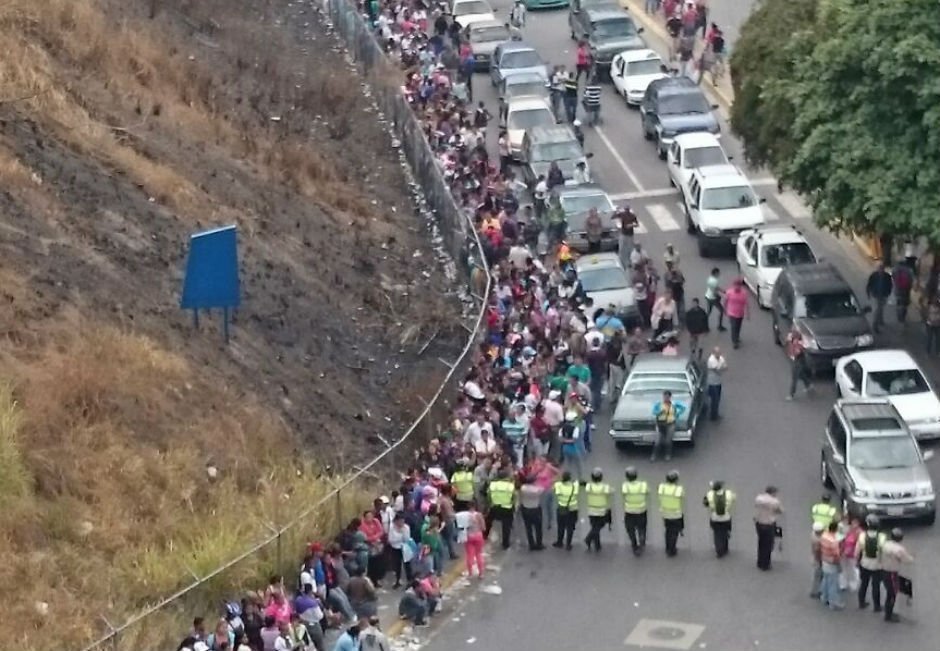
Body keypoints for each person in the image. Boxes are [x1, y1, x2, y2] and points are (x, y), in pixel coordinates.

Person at [881, 527, 914, 623]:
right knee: (892, 593)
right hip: (892, 573)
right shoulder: (899, 549)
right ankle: (888, 615)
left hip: (884, 570)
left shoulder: (885, 544)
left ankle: (888, 612)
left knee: (889, 592)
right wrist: (912, 558)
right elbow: (907, 560)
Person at [856, 515, 884, 612]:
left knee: (864, 584)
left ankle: (861, 602)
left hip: (864, 563)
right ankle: (877, 606)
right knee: (876, 586)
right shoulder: (881, 537)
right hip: (877, 565)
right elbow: (883, 552)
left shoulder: (862, 536)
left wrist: (857, 562)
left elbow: (857, 551)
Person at [651, 390, 686, 462]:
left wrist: (677, 414)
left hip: (670, 424)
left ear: (670, 397)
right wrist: (660, 412)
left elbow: (683, 408)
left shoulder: (674, 404)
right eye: (665, 396)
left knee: (668, 440)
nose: (666, 398)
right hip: (660, 424)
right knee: (657, 441)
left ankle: (668, 455)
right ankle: (654, 455)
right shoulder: (659, 404)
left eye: (667, 397)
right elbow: (654, 412)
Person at [485, 469, 516, 550]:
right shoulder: (510, 485)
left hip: (494, 506)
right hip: (506, 508)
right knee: (506, 526)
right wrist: (513, 506)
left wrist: (490, 503)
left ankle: (484, 535)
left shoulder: (493, 485)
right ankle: (505, 543)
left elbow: (488, 495)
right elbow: (514, 497)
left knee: (488, 521)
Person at [703, 480, 734, 558]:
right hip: (726, 517)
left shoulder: (709, 494)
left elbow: (705, 503)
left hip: (715, 518)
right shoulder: (728, 493)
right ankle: (725, 547)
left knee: (717, 534)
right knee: (725, 531)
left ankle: (719, 550)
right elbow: (733, 499)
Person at [754, 486, 782, 571]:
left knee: (761, 542)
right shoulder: (775, 501)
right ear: (772, 492)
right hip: (769, 525)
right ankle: (765, 564)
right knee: (768, 545)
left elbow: (756, 506)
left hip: (759, 523)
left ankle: (759, 561)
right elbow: (779, 511)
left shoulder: (758, 498)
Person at [583, 467, 612, 551]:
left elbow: (586, 487)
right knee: (598, 527)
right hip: (601, 510)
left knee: (594, 526)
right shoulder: (605, 487)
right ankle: (588, 539)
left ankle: (597, 545)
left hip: (591, 510)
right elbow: (609, 492)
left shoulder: (589, 486)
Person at [622, 466, 649, 555]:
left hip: (629, 511)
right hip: (641, 510)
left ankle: (634, 545)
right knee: (641, 527)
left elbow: (624, 493)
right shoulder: (643, 485)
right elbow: (647, 491)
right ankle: (642, 540)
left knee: (630, 529)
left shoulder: (625, 486)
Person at [658, 470, 685, 557]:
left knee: (668, 531)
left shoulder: (662, 487)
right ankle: (671, 549)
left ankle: (667, 547)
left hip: (665, 513)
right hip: (676, 514)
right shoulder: (678, 489)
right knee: (674, 532)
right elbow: (682, 496)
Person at [819, 521, 843, 610]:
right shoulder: (833, 541)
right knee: (833, 583)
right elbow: (836, 555)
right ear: (836, 529)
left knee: (825, 580)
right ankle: (833, 603)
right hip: (832, 563)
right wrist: (839, 564)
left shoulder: (824, 536)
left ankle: (824, 597)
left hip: (824, 560)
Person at [553, 470, 580, 550]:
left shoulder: (558, 485)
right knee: (570, 527)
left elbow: (556, 489)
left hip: (562, 508)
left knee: (561, 526)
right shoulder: (575, 486)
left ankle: (559, 542)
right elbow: (577, 482)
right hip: (572, 509)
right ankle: (568, 544)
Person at [784, 326, 813, 400]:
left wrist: (799, 348)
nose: (793, 333)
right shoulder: (791, 337)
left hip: (798, 359)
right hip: (796, 358)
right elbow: (787, 343)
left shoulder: (801, 342)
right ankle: (808, 384)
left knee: (794, 376)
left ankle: (791, 394)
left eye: (795, 332)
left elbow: (803, 348)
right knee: (800, 373)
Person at [520, 473, 546, 551]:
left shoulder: (523, 488)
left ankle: (531, 544)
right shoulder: (537, 490)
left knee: (528, 528)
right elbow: (542, 488)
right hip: (535, 509)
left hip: (525, 509)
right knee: (538, 528)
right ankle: (539, 543)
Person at [866, 262, 893, 333]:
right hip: (876, 295)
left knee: (881, 308)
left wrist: (888, 293)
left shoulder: (887, 276)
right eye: (879, 268)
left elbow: (890, 285)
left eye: (882, 268)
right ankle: (875, 325)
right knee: (877, 310)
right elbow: (869, 284)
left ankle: (881, 320)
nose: (881, 270)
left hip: (884, 295)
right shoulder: (874, 275)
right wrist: (868, 293)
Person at [723, 278, 749, 348]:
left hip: (740, 313)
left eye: (739, 285)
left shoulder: (744, 293)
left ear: (741, 286)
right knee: (733, 327)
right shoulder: (729, 292)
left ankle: (737, 336)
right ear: (733, 285)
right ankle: (734, 342)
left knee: (738, 327)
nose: (737, 287)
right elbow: (725, 301)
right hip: (731, 313)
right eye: (736, 285)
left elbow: (746, 303)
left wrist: (747, 313)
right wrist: (724, 309)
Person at [463, 501, 486, 578]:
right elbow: (483, 527)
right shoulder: (479, 515)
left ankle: (470, 573)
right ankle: (481, 573)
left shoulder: (464, 516)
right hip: (478, 535)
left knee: (469, 555)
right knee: (479, 554)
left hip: (468, 536)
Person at [705, 347, 726, 420]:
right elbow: (716, 370)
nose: (719, 355)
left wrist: (721, 369)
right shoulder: (711, 360)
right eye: (717, 353)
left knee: (718, 398)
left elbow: (725, 367)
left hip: (718, 382)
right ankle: (713, 416)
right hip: (712, 383)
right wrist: (721, 369)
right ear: (713, 353)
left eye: (719, 353)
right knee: (715, 399)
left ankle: (715, 413)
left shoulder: (721, 358)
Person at [663, 261, 685, 326]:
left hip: (680, 292)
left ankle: (682, 322)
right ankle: (674, 322)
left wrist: (678, 280)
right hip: (673, 294)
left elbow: (683, 281)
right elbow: (667, 285)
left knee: (681, 309)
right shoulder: (666, 275)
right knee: (674, 309)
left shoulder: (679, 272)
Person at [617, 205, 639, 269]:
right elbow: (613, 217)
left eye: (627, 210)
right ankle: (620, 261)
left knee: (630, 248)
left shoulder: (632, 216)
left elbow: (637, 224)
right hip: (623, 233)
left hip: (630, 234)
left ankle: (629, 261)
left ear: (629, 210)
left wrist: (631, 225)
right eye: (625, 210)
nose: (626, 211)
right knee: (621, 248)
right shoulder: (622, 214)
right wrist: (616, 211)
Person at [809, 521, 824, 599]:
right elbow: (817, 552)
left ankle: (815, 590)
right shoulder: (818, 540)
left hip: (814, 558)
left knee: (817, 576)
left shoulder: (813, 534)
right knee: (818, 575)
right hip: (818, 559)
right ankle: (816, 591)